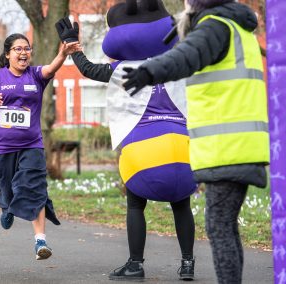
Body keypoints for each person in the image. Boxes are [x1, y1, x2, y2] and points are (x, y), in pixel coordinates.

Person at [122, 1, 269, 283]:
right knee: (226, 226)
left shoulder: (215, 26)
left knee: (219, 228)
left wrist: (148, 71)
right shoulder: (240, 29)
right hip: (242, 146)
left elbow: (185, 56)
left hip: (227, 149)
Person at [56, 0, 197, 281]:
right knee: (181, 204)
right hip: (183, 148)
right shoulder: (179, 66)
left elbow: (87, 69)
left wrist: (73, 47)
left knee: (135, 204)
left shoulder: (122, 71)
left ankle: (135, 263)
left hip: (143, 150)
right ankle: (188, 263)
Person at [0, 33, 81, 260]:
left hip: (31, 145)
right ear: (8, 54)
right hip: (1, 146)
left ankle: (40, 242)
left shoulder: (35, 76)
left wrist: (63, 54)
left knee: (35, 189)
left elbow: (50, 69)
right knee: (3, 186)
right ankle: (6, 207)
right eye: (17, 49)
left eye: (27, 48)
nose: (23, 53)